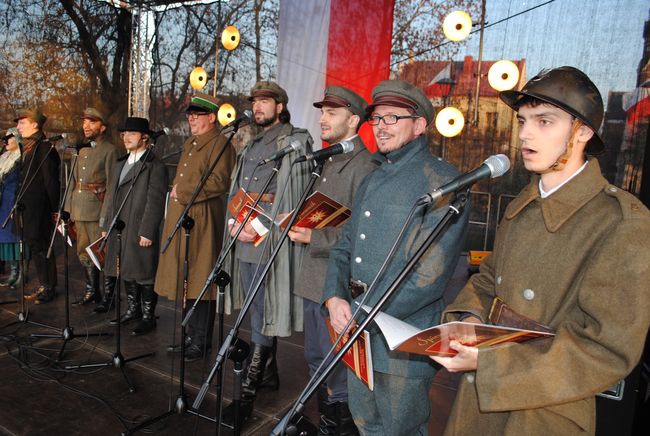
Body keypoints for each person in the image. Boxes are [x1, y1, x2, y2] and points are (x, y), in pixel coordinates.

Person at [432, 66, 650, 435]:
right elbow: (488, 280)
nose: (526, 134)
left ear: (583, 131)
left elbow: (606, 349)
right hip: (479, 404)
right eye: (523, 121)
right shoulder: (524, 204)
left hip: (542, 413)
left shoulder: (621, 222)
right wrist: (468, 320)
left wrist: (490, 365)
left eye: (545, 122)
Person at [321, 80, 469, 435]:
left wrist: (363, 316)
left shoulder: (444, 182)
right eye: (378, 119)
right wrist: (334, 295)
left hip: (402, 343)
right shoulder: (373, 179)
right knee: (366, 424)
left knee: (400, 430)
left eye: (392, 118)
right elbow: (344, 244)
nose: (381, 126)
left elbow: (428, 276)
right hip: (359, 334)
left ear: (419, 126)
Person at [221, 80, 313, 426]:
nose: (257, 107)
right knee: (253, 307)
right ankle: (269, 374)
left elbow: (295, 195)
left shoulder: (296, 141)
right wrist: (234, 223)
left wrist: (257, 227)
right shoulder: (251, 144)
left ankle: (249, 386)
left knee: (263, 308)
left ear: (280, 105)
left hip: (269, 240)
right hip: (243, 237)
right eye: (255, 101)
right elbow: (239, 189)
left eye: (264, 101)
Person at [288, 86, 377, 434]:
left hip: (337, 286)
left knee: (337, 368)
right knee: (316, 360)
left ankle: (338, 427)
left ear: (353, 119)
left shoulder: (366, 166)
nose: (322, 119)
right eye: (322, 112)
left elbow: (364, 236)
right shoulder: (328, 159)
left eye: (332, 113)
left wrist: (315, 236)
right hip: (313, 279)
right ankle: (328, 422)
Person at [156, 93, 236, 354]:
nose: (191, 118)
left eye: (197, 114)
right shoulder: (192, 142)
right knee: (188, 279)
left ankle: (201, 341)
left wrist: (183, 190)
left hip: (203, 223)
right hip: (185, 220)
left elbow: (220, 183)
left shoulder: (221, 144)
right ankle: (191, 336)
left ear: (212, 118)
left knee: (201, 281)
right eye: (189, 114)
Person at [100, 117, 168, 335]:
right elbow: (111, 196)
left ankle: (148, 316)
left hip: (140, 226)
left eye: (132, 134)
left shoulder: (154, 165)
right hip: (120, 226)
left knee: (145, 271)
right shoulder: (120, 163)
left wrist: (147, 230)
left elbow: (155, 200)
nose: (126, 138)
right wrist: (106, 224)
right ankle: (133, 309)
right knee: (125, 269)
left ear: (145, 137)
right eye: (124, 134)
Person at [64, 107, 118, 308]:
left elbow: (112, 186)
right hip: (79, 210)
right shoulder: (82, 149)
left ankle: (109, 296)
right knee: (83, 253)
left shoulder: (110, 150)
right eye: (84, 121)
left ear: (102, 127)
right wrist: (68, 209)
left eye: (92, 122)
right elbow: (73, 181)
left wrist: (105, 216)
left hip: (97, 211)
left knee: (101, 254)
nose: (86, 126)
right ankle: (91, 290)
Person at [15, 108, 61, 304]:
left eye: (22, 123)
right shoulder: (29, 146)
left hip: (40, 209)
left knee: (43, 248)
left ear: (35, 124)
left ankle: (49, 287)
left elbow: (51, 181)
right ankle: (44, 284)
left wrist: (54, 209)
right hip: (27, 208)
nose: (18, 127)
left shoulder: (43, 148)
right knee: (35, 248)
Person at [0, 129, 29, 288]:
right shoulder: (4, 158)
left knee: (18, 237)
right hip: (4, 201)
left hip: (15, 200)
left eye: (8, 138)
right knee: (6, 239)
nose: (5, 141)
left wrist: (17, 202)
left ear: (17, 139)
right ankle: (13, 271)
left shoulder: (22, 157)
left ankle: (22, 273)